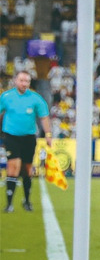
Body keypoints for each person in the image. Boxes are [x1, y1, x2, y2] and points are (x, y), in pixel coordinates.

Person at [1, 71, 53, 212]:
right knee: (13, 166)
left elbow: (44, 117)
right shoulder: (6, 97)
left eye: (27, 81)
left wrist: (48, 134)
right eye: (22, 80)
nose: (24, 84)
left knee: (27, 169)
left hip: (29, 137)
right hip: (11, 136)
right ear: (16, 81)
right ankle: (9, 203)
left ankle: (27, 201)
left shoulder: (36, 99)